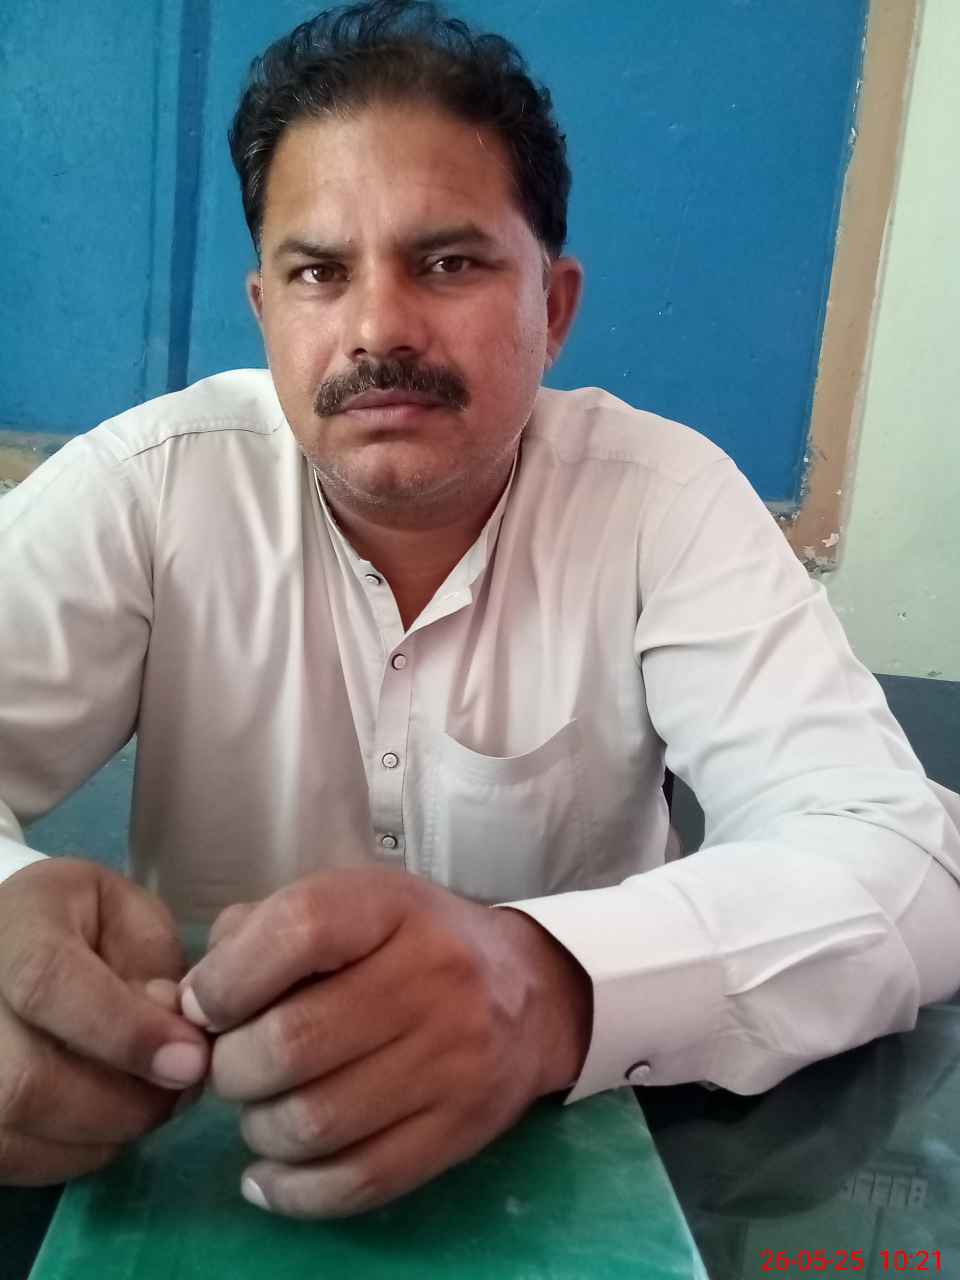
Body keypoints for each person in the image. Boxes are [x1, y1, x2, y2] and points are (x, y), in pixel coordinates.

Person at [1, 0, 958, 1221]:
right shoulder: (149, 485)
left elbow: (901, 857)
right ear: (264, 310)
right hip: (199, 1159)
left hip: (590, 1162)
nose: (377, 328)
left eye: (449, 263)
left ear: (553, 308)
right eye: (319, 272)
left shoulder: (662, 500)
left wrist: (549, 983)